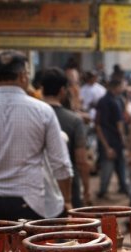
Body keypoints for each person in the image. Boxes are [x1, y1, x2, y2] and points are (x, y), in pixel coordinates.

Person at [0, 50, 73, 221]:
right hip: (29, 201)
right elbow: (60, 163)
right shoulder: (43, 111)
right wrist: (67, 200)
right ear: (23, 76)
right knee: (26, 239)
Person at [41, 67, 91, 208]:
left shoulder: (32, 116)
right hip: (68, 188)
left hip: (38, 188)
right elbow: (81, 161)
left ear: (42, 89)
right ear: (63, 90)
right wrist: (86, 189)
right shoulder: (74, 120)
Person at [95, 77, 131, 198]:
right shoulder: (113, 101)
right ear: (116, 87)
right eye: (121, 86)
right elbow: (119, 124)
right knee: (109, 166)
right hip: (111, 140)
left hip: (109, 139)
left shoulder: (113, 100)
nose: (123, 88)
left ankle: (122, 187)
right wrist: (123, 139)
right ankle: (103, 191)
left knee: (120, 165)